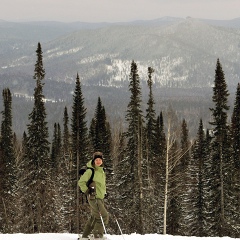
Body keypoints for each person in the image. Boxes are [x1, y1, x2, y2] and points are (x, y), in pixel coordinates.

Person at [78, 151, 109, 240]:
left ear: (102, 161)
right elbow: (81, 182)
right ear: (94, 161)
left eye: (100, 160)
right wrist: (87, 191)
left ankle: (85, 235)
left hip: (100, 197)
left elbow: (101, 185)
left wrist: (105, 193)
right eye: (96, 160)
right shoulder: (90, 171)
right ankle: (97, 236)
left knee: (94, 216)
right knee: (103, 216)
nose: (98, 161)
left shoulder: (102, 171)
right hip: (93, 197)